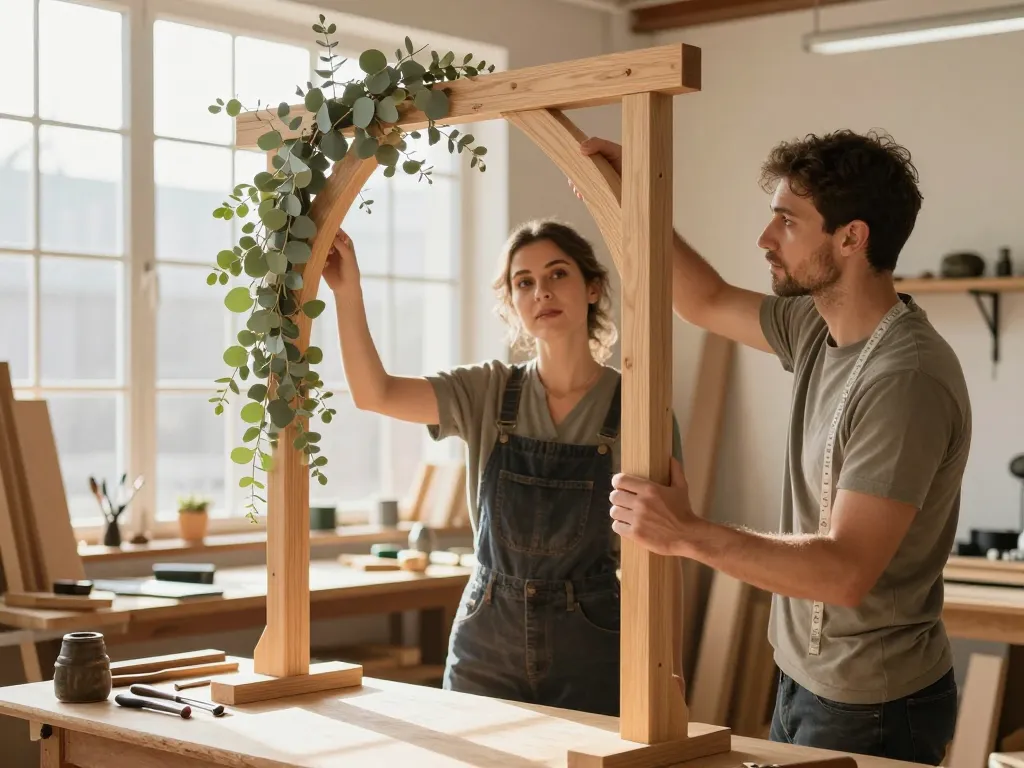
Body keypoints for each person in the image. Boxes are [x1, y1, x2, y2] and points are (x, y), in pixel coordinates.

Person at [576, 130, 971, 763]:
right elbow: (702, 300)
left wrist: (685, 534)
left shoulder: (905, 379)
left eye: (787, 221)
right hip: (804, 684)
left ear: (851, 237)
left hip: (870, 705)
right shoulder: (815, 326)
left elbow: (844, 573)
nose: (765, 238)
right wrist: (632, 201)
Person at [321, 218, 683, 716]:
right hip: (486, 640)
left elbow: (669, 548)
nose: (542, 293)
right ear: (511, 302)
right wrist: (347, 291)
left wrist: (668, 676)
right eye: (524, 282)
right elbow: (375, 393)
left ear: (593, 287)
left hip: (594, 642)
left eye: (558, 275)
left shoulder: (640, 409)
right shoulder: (486, 392)